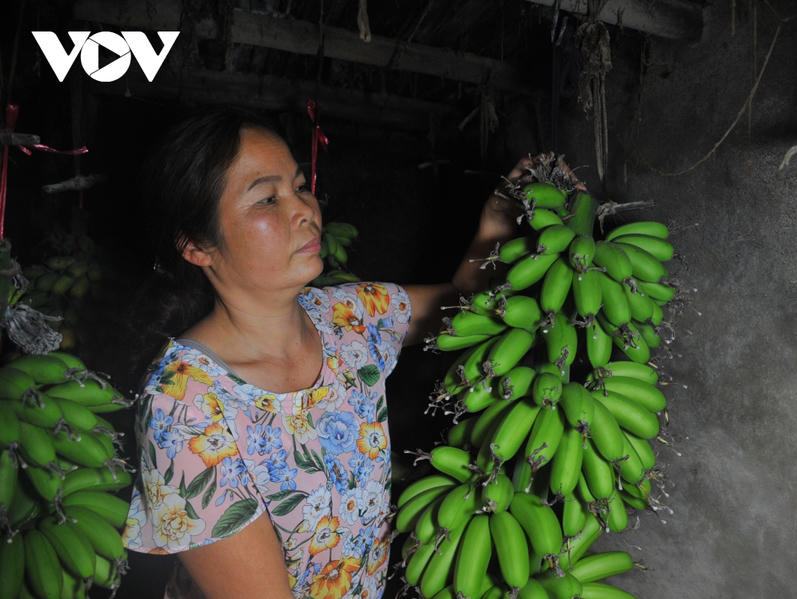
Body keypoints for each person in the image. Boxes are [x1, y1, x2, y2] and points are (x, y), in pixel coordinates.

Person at [121, 107, 539, 599]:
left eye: (300, 186)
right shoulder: (183, 404)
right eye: (267, 199)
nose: (306, 210)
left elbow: (463, 305)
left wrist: (495, 224)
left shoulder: (346, 317)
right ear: (196, 246)